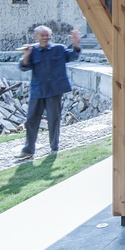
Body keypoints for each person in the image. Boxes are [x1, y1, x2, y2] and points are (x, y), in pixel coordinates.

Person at [17, 25, 80, 159]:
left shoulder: (59, 49)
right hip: (37, 90)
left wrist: (76, 44)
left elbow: (73, 56)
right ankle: (28, 149)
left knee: (54, 119)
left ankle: (54, 148)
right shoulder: (32, 51)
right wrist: (26, 55)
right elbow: (23, 67)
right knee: (31, 120)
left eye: (47, 35)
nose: (45, 37)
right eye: (42, 35)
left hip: (54, 90)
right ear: (36, 37)